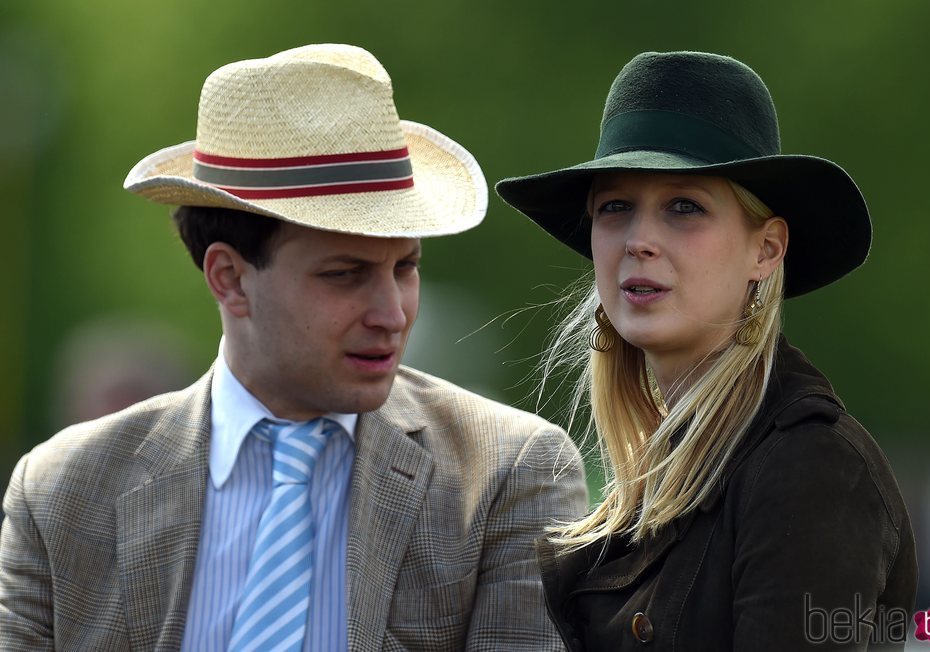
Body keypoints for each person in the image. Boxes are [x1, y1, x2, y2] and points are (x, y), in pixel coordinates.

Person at [0, 44, 587, 651]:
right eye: (344, 274)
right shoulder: (63, 489)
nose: (392, 313)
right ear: (228, 278)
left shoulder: (503, 473)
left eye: (405, 267)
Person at [496, 51, 917, 650]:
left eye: (684, 207)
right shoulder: (661, 480)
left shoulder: (811, 467)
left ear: (766, 250)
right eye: (615, 206)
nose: (639, 240)